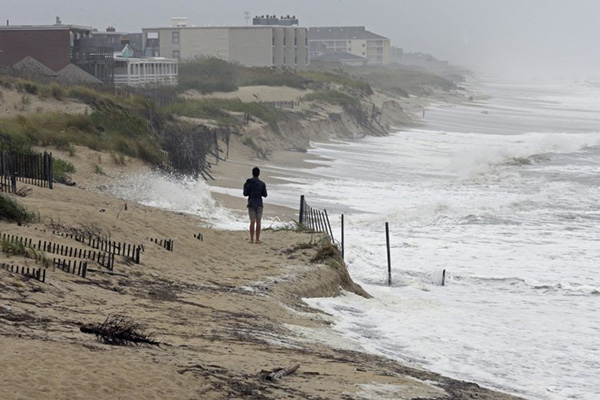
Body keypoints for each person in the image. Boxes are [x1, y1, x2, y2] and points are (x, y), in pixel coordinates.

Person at [243, 167, 267, 243]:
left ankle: (251, 239)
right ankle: (257, 239)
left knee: (252, 221)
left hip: (251, 203)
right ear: (259, 174)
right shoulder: (262, 184)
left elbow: (245, 193)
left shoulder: (248, 183)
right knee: (258, 221)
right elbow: (265, 194)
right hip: (259, 203)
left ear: (252, 173)